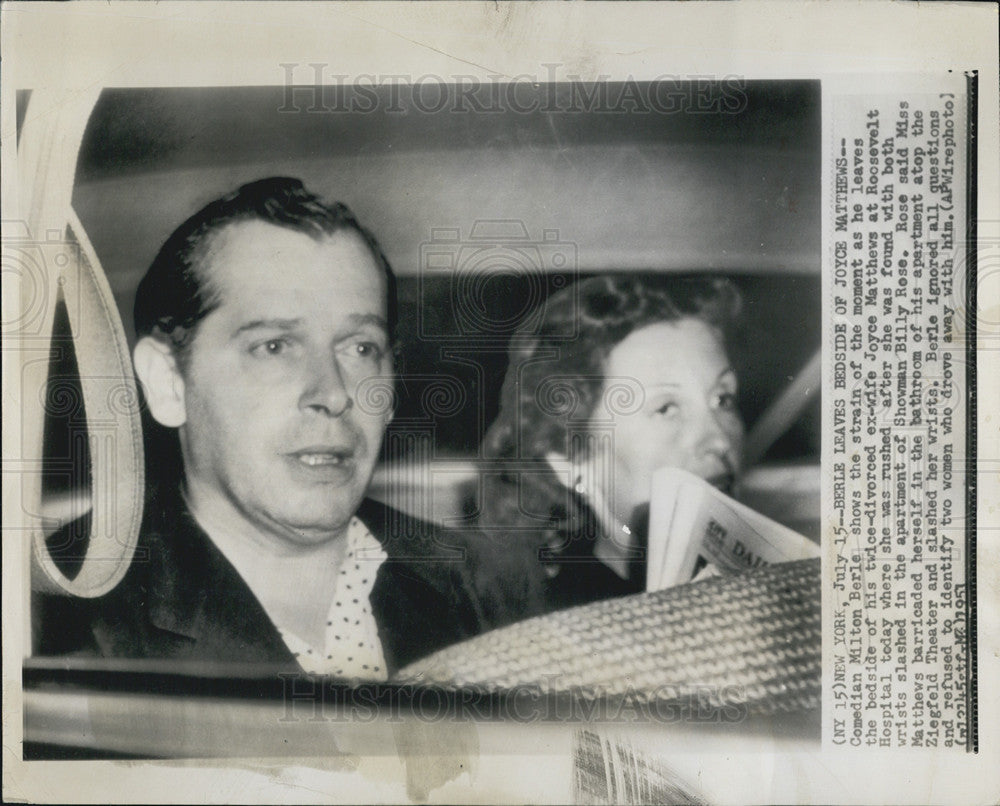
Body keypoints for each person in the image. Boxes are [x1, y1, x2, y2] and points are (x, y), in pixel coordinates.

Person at [36, 177, 542, 678]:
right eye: (274, 346)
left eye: (361, 348)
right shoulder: (55, 613)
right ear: (169, 382)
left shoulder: (492, 590)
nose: (334, 393)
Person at [478, 275, 744, 614]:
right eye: (666, 408)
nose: (720, 440)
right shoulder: (551, 627)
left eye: (723, 399)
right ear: (571, 463)